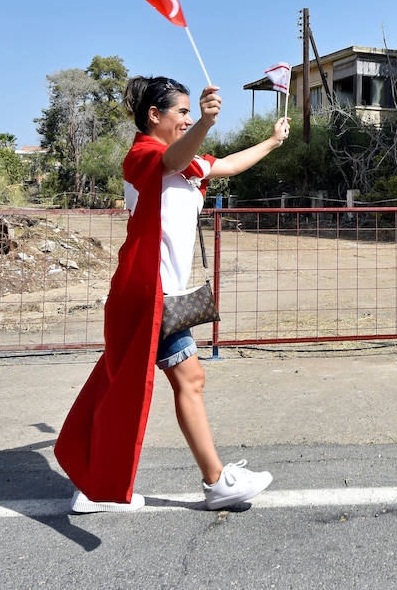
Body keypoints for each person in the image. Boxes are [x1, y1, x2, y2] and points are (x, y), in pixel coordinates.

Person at [54, 76, 289, 513]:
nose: (185, 120)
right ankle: (216, 480)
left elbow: (228, 165)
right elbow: (174, 156)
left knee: (123, 388)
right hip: (148, 295)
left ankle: (94, 484)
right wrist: (204, 120)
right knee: (188, 379)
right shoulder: (143, 157)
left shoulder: (185, 164)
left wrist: (272, 142)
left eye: (187, 113)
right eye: (179, 113)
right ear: (153, 117)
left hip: (163, 296)